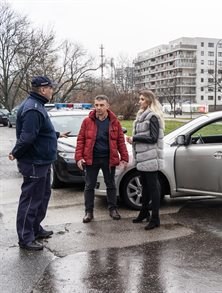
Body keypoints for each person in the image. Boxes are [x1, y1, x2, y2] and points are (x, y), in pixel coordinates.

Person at [9, 76, 69, 251]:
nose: (52, 90)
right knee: (31, 200)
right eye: (51, 87)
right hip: (34, 162)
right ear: (43, 89)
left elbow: (40, 132)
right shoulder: (33, 109)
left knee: (42, 197)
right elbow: (27, 137)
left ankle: (35, 228)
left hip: (42, 161)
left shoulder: (38, 106)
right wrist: (15, 152)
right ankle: (26, 238)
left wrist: (56, 135)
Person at [75, 95, 129, 223]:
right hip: (91, 159)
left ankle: (113, 209)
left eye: (101, 105)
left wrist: (124, 157)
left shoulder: (114, 122)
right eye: (96, 105)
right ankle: (89, 212)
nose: (98, 108)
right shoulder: (87, 121)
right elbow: (81, 140)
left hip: (108, 159)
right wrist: (78, 158)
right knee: (89, 186)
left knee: (110, 185)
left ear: (107, 106)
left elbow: (121, 141)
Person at [126, 89, 164, 230]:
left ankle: (155, 218)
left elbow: (153, 138)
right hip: (142, 158)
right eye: (140, 99)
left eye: (142, 99)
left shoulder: (152, 117)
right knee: (145, 187)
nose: (139, 101)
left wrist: (135, 138)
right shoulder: (142, 115)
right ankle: (144, 213)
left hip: (151, 158)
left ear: (148, 101)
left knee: (153, 189)